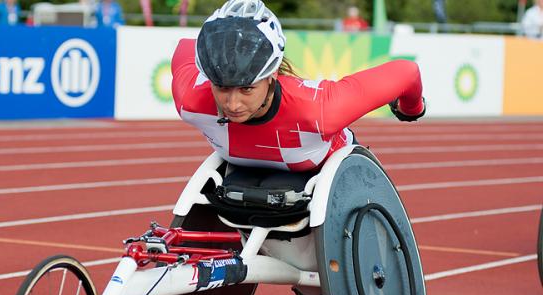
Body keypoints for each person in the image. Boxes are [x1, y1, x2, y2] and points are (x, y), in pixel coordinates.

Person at [171, 0, 425, 175]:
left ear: (272, 75)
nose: (233, 104)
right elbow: (185, 46)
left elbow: (407, 72)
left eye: (247, 89)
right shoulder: (190, 98)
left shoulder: (320, 110)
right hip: (242, 180)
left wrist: (411, 108)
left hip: (320, 175)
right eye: (222, 88)